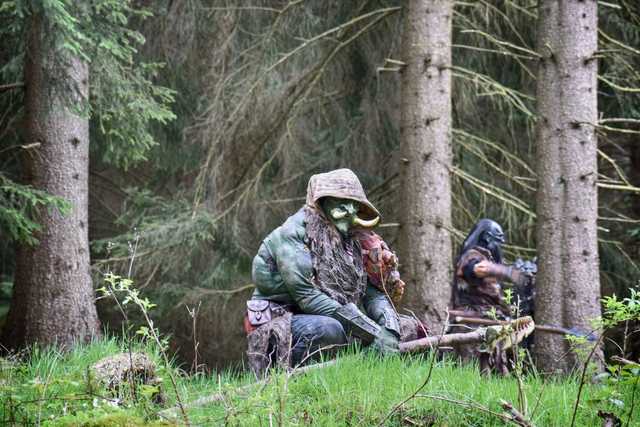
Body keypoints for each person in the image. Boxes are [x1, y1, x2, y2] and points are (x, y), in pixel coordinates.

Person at [245, 169, 421, 375]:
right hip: (283, 319)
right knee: (329, 330)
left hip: (337, 316)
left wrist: (389, 329)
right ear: (323, 202)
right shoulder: (293, 234)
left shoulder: (355, 242)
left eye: (354, 203)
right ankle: (288, 377)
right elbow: (307, 296)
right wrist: (375, 333)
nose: (350, 209)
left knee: (407, 328)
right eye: (340, 202)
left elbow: (372, 293)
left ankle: (366, 376)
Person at [451, 218, 530, 373]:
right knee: (471, 369)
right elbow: (477, 268)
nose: (499, 247)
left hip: (489, 318)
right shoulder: (472, 255)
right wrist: (508, 271)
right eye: (497, 242)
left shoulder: (486, 257)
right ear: (487, 238)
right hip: (473, 318)